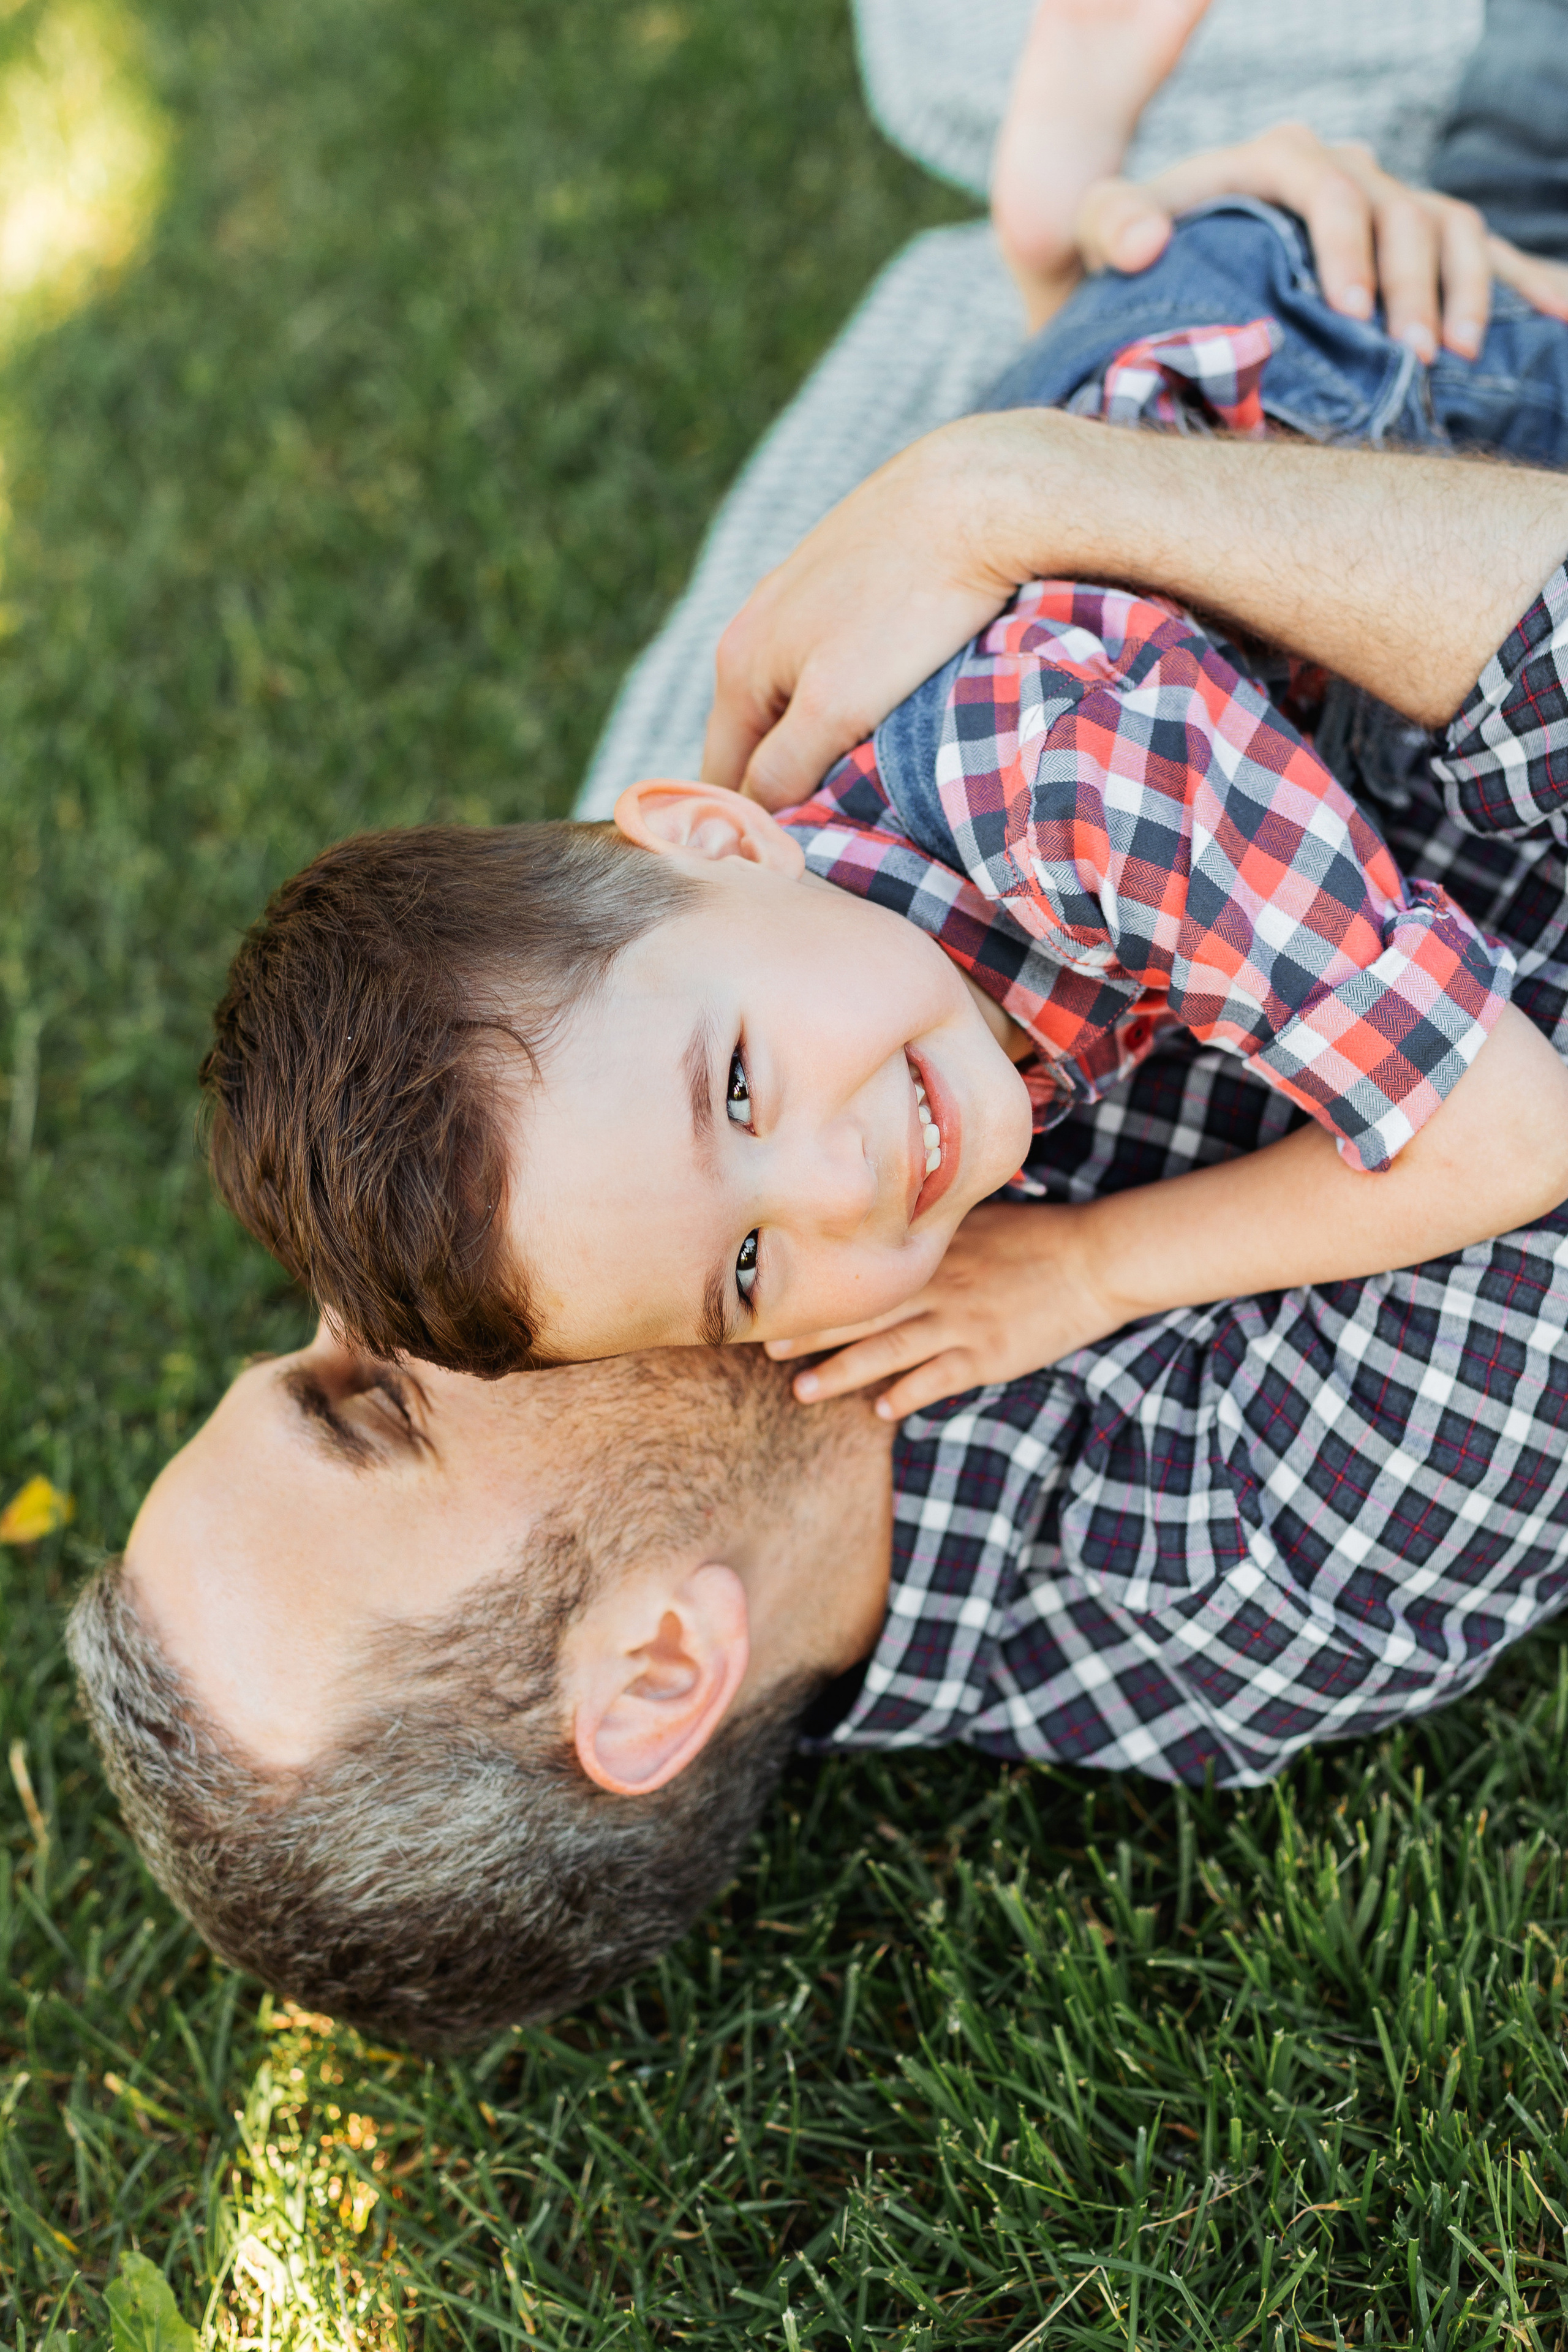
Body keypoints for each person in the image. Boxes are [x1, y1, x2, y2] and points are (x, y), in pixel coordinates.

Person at [70, 421, 1568, 2052]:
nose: (362, 1299)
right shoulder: (1275, 1536)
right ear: (652, 1669)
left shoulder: (584, 1075)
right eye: (366, 1402)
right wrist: (1026, 493)